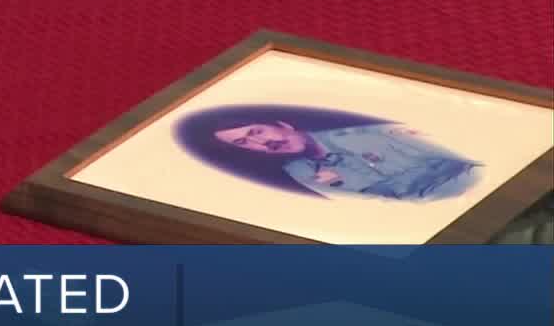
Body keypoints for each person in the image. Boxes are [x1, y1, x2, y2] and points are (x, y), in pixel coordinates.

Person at [173, 104, 480, 200]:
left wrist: (393, 188)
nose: (262, 144)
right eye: (244, 143)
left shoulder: (373, 131)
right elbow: (373, 211)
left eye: (256, 132)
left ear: (282, 124)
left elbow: (465, 162)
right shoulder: (298, 172)